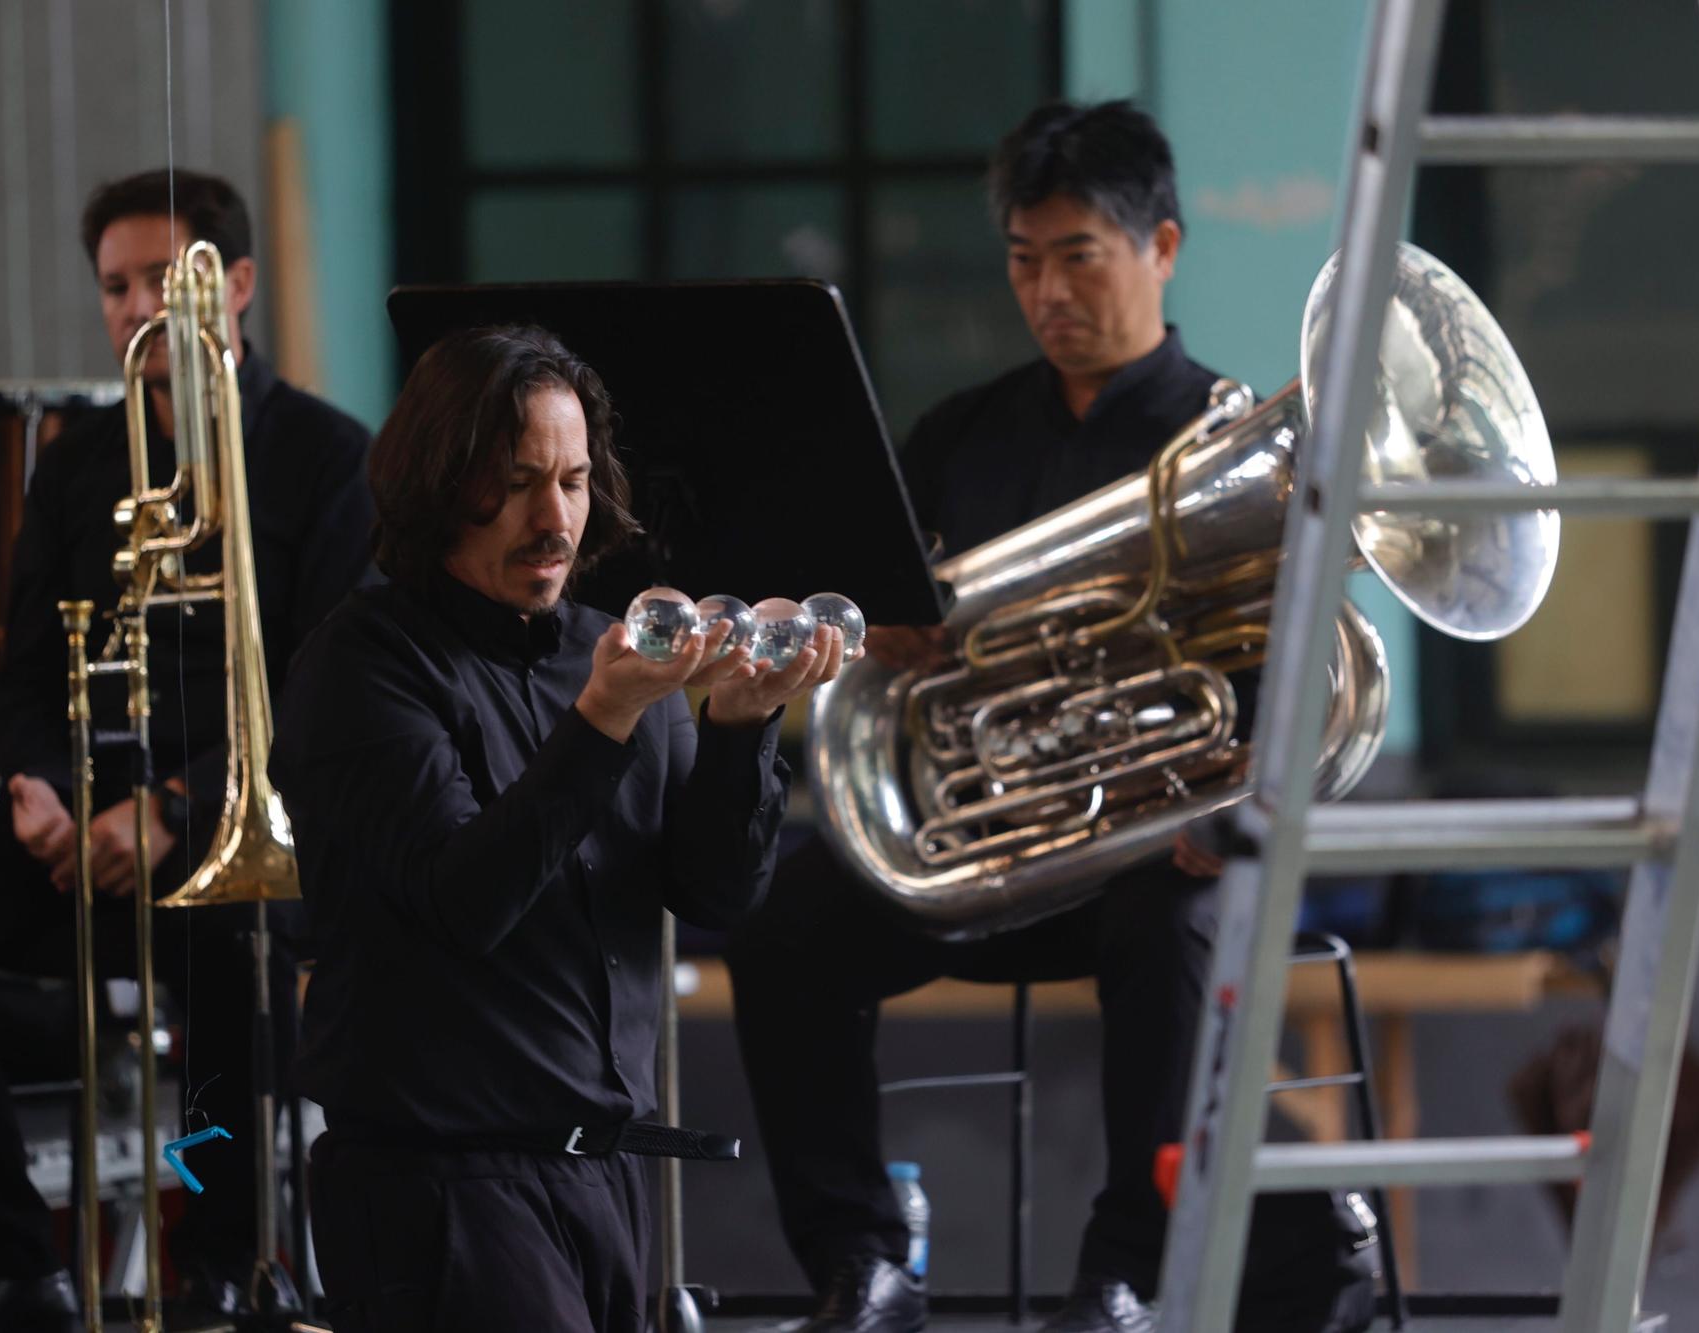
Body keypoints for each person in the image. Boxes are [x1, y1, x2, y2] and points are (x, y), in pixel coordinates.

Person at [725, 100, 1378, 1333]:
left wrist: (1229, 801)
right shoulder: (955, 436)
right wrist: (883, 628)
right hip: (977, 849)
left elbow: (1298, 687)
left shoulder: (1229, 441)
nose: (1046, 291)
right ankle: (858, 1261)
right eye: (1023, 261)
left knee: (1171, 919)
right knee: (778, 927)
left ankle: (1127, 1270)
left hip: (1151, 863)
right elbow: (872, 632)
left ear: (1162, 248)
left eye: (1078, 255)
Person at [0, 168, 375, 1333]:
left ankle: (218, 1255)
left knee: (226, 958)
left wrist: (178, 807)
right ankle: (13, 1253)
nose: (134, 308)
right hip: (86, 809)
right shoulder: (79, 462)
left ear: (231, 284)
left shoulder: (331, 459)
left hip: (238, 816)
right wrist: (35, 789)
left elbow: (327, 701)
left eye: (157, 281)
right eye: (114, 287)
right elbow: (25, 672)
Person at [271, 322, 851, 1332]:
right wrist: (604, 719)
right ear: (439, 481)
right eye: (518, 480)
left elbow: (713, 893)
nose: (556, 519)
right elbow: (467, 902)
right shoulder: (362, 664)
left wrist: (738, 729)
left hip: (605, 1183)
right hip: (438, 1186)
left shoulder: (604, 649)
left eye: (575, 480)